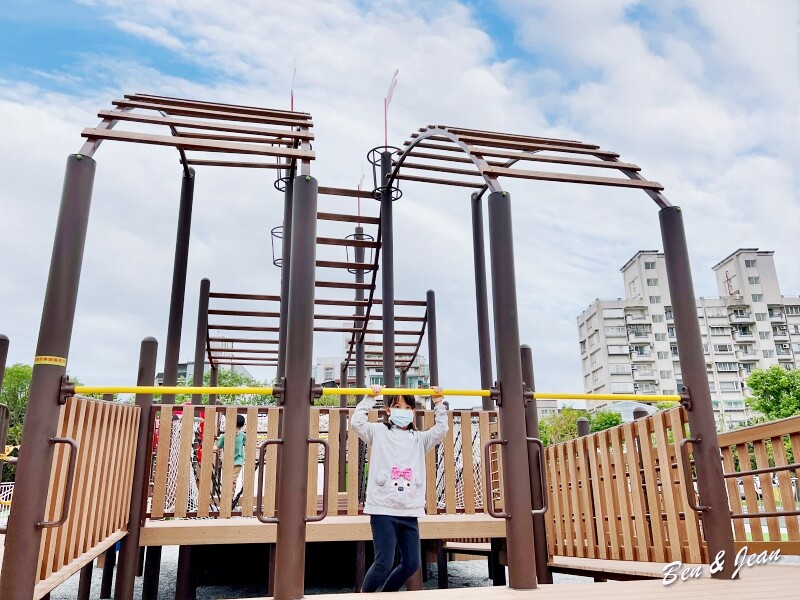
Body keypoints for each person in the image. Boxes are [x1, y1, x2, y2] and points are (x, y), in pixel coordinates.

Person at [351, 385, 448, 592]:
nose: (401, 410)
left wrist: (439, 402)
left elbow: (441, 430)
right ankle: (365, 596)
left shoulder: (420, 439)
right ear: (388, 411)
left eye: (406, 407)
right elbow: (357, 423)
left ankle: (386, 594)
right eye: (397, 406)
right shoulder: (378, 432)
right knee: (384, 563)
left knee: (412, 563)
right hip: (383, 508)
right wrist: (370, 397)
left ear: (413, 412)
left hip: (409, 509)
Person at [214, 413, 246, 500]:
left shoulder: (242, 435)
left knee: (232, 481)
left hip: (238, 461)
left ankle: (229, 500)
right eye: (235, 427)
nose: (236, 430)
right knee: (227, 481)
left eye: (239, 428)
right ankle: (226, 498)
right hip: (227, 461)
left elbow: (250, 445)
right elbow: (217, 446)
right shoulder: (225, 436)